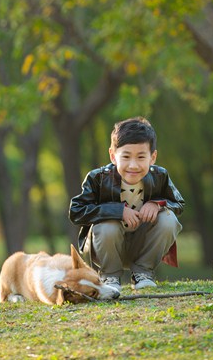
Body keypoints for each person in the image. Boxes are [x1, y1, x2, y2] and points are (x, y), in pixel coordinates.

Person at [69, 117, 184, 294]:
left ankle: (143, 274)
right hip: (105, 246)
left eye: (141, 157)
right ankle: (110, 276)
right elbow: (76, 211)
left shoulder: (160, 176)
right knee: (108, 224)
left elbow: (178, 203)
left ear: (152, 157)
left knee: (169, 219)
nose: (133, 165)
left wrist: (157, 204)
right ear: (113, 156)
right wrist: (118, 211)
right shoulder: (97, 178)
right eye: (126, 156)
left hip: (141, 244)